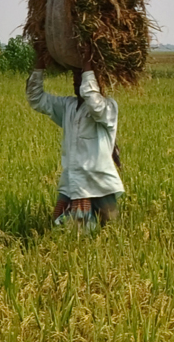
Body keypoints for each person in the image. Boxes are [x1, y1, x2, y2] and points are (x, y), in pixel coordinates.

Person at [27, 66, 123, 228]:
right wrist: (39, 68)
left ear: (95, 81)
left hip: (100, 185)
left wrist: (88, 67)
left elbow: (93, 101)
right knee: (72, 234)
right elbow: (36, 99)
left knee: (110, 230)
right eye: (75, 78)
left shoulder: (107, 107)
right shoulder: (68, 107)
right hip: (72, 184)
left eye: (82, 78)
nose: (78, 82)